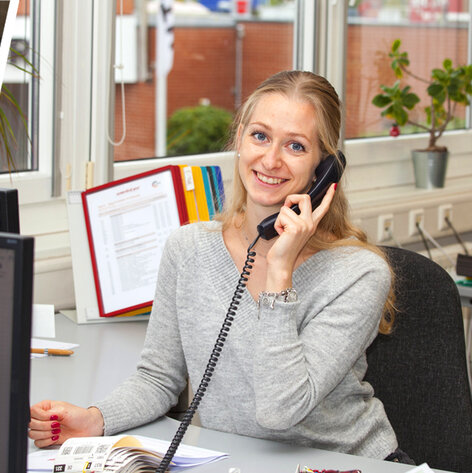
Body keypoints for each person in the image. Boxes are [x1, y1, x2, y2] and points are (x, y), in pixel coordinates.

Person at [28, 70, 407, 462]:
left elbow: (280, 411)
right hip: (238, 464)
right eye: (260, 136)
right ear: (239, 139)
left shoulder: (358, 274)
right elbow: (158, 378)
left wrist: (280, 271)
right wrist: (95, 419)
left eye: (295, 146)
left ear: (324, 168)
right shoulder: (188, 249)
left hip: (346, 465)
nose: (270, 160)